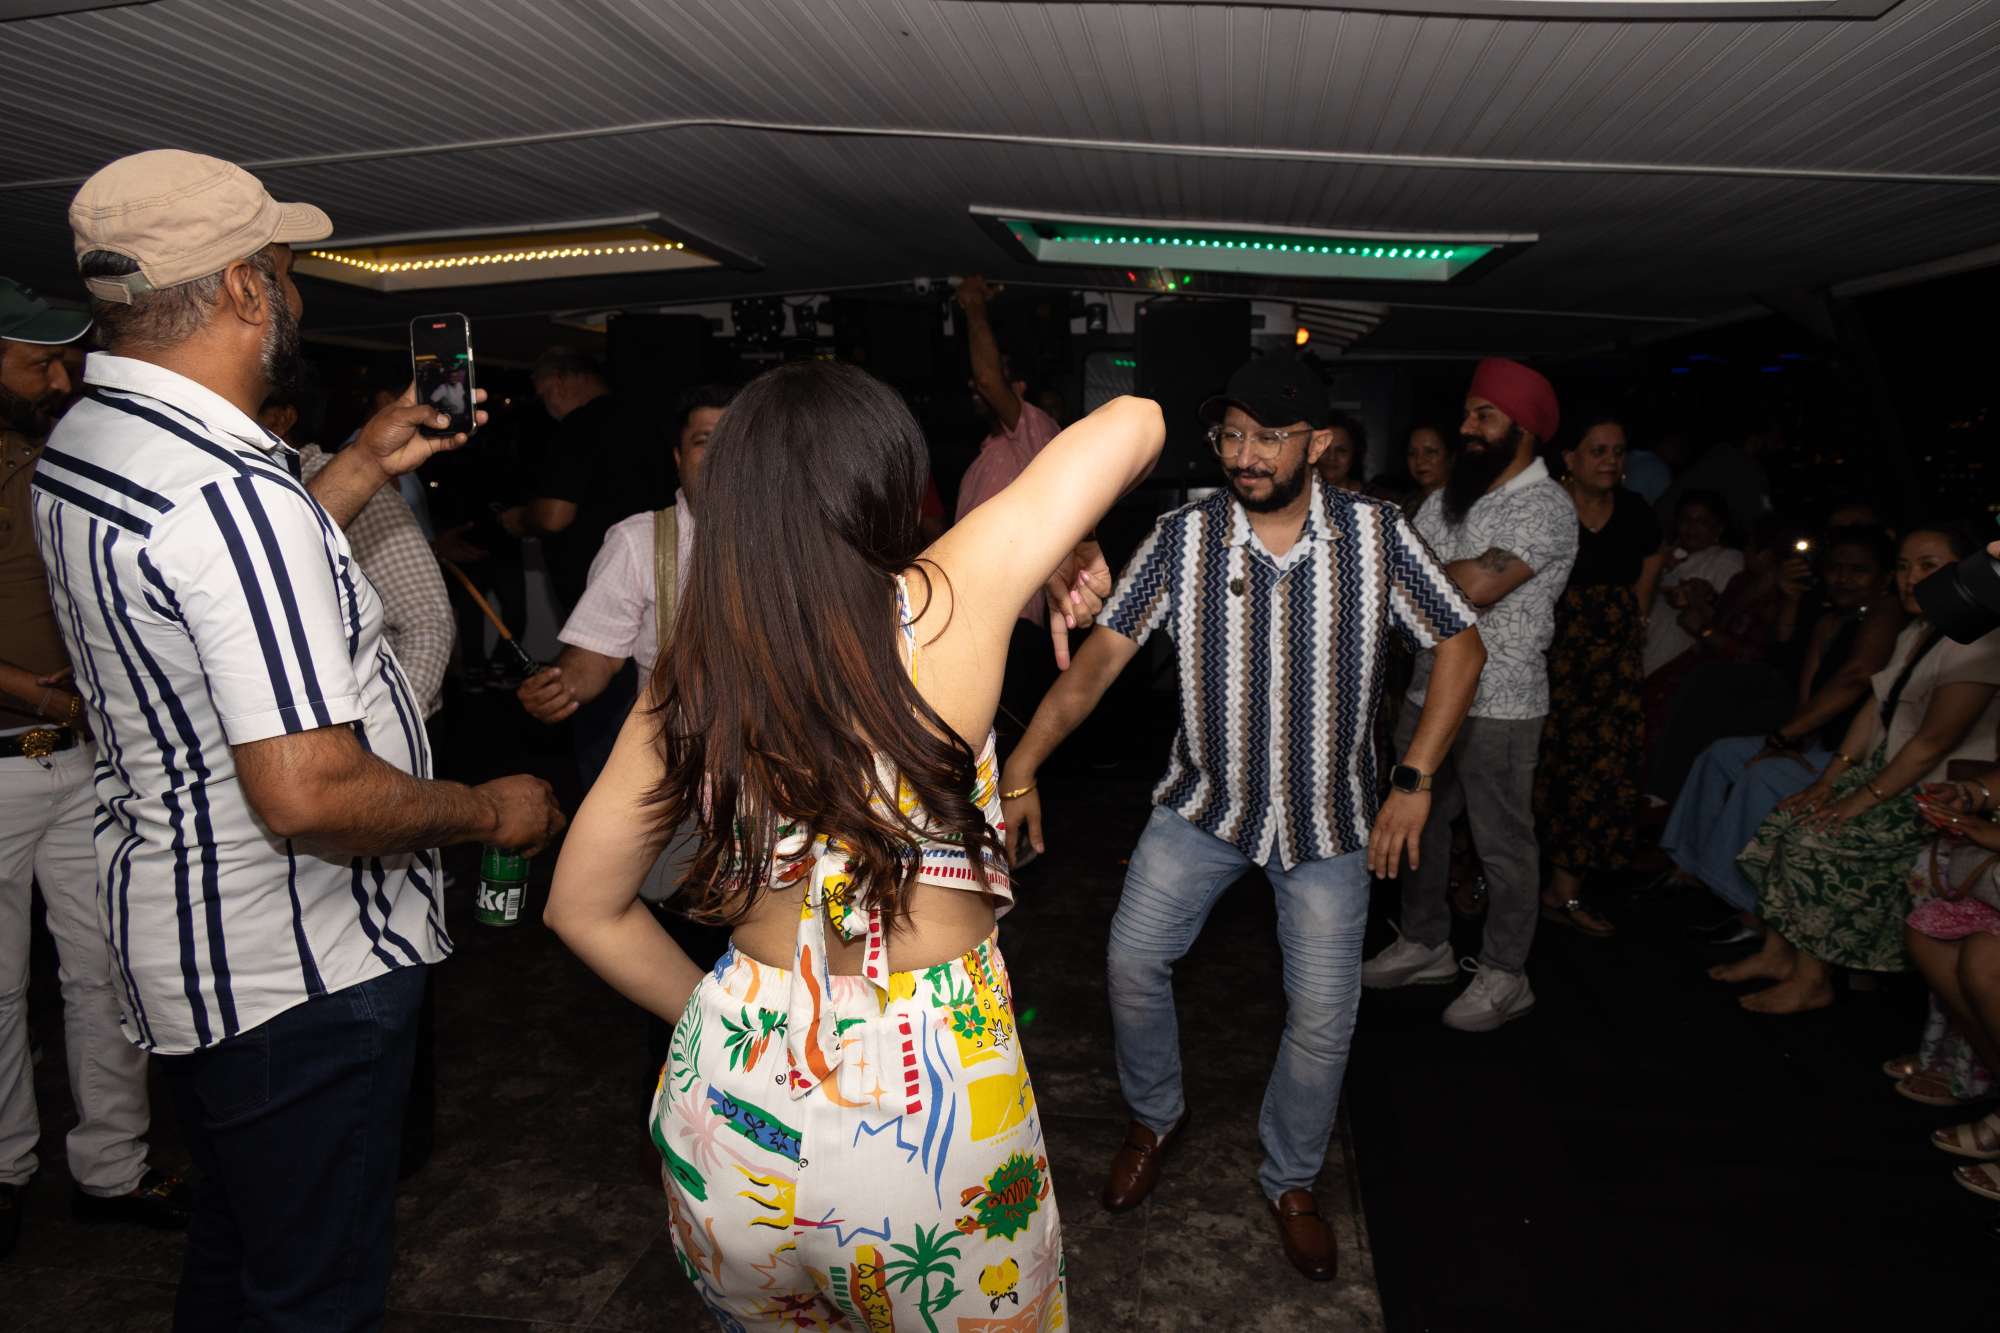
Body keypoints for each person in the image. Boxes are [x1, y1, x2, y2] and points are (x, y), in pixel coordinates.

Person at [40, 149, 564, 1329]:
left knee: (239, 1261)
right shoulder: (235, 499)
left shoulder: (92, 443)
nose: (291, 291)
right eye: (281, 268)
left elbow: (211, 590)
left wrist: (361, 467)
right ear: (242, 288)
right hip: (298, 971)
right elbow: (310, 792)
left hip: (193, 940)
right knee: (312, 1297)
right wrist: (492, 809)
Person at [545, 361, 1159, 1328]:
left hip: (732, 1107)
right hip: (926, 1107)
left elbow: (579, 906)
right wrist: (1059, 532)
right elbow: (1137, 418)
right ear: (887, 483)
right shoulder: (947, 596)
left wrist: (738, 1015)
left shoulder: (690, 674)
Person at [1000, 355, 1485, 1280]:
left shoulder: (1377, 535)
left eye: (1268, 436)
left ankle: (1292, 1177)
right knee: (1132, 963)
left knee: (1324, 1017)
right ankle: (1154, 1117)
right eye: (1231, 433)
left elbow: (1461, 645)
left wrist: (1415, 779)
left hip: (1329, 822)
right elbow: (1095, 667)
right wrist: (1020, 767)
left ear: (1319, 444)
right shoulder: (1182, 538)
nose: (1244, 454)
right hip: (1204, 809)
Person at [1, 277, 190, 1261]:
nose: (60, 380)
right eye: (38, 364)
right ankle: (5, 1172)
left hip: (83, 759)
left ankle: (111, 1171)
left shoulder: (54, 461)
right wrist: (32, 692)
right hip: (4, 761)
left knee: (107, 970)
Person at [1363, 358, 1577, 1033]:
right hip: (1429, 692)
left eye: (1484, 415)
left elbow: (1476, 586)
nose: (1467, 427)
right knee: (1416, 823)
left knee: (1502, 843)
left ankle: (1507, 972)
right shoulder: (1450, 496)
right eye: (1468, 413)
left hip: (1502, 704)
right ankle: (1425, 941)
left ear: (1524, 428)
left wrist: (1412, 570)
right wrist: (1417, 572)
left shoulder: (1546, 505)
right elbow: (1412, 575)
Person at [1723, 525, 2000, 1014]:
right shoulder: (1918, 631)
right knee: (1788, 816)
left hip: (1933, 789)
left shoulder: (1977, 638)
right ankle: (1777, 954)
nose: (1912, 579)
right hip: (1887, 772)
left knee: (1818, 838)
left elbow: (1932, 743)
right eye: (1903, 567)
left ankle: (1813, 980)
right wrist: (1830, 780)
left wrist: (1859, 799)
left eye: (1929, 566)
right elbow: (1875, 707)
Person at [1659, 526, 1902, 918]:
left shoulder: (1887, 613)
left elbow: (1857, 677)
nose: (1843, 578)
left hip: (1859, 756)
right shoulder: (1828, 622)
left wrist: (1782, 739)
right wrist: (1792, 741)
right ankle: (1689, 870)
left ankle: (1741, 902)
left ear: (1885, 578)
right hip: (1817, 743)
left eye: (1858, 570)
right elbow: (1806, 696)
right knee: (1722, 755)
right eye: (1836, 568)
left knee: (1762, 775)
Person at [514, 385, 732, 750]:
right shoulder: (639, 540)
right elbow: (599, 652)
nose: (720, 454)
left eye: (734, 440)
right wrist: (563, 686)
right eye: (704, 441)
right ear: (678, 457)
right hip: (678, 759)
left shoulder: (797, 538)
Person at [1534, 414, 1663, 938]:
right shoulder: (1545, 506)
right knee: (1541, 765)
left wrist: (1638, 615)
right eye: (1598, 450)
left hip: (1611, 664)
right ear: (1570, 458)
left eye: (1617, 451)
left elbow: (1652, 557)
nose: (1610, 461)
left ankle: (1564, 891)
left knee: (1600, 773)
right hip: (1550, 656)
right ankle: (1497, 879)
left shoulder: (1635, 510)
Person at [259, 392, 455, 718]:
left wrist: (386, 730)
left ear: (282, 418)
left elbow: (426, 625)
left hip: (364, 730)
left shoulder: (351, 487)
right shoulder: (251, 496)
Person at [951, 275, 1071, 744]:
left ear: (1017, 386)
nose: (975, 385)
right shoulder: (988, 454)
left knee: (1001, 744)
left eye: (998, 378)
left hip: (1010, 623)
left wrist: (973, 306)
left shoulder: (1035, 431)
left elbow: (986, 378)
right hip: (969, 620)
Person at [511, 345, 660, 613]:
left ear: (559, 382)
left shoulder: (578, 426)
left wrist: (520, 519)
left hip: (600, 583)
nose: (546, 405)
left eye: (544, 394)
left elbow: (554, 516)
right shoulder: (646, 420)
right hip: (653, 574)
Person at [1643, 490, 1743, 678]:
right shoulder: (1663, 556)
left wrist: (1698, 599)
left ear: (1719, 528)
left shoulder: (1727, 559)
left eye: (1702, 521)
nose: (1691, 527)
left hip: (1679, 662)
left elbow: (1728, 616)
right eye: (1685, 519)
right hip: (1645, 649)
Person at [1402, 421, 1455, 517]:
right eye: (1412, 453)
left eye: (1430, 452)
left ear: (1451, 457)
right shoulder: (1405, 505)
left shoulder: (1464, 507)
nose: (1419, 461)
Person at [1314, 411, 1365, 492]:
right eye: (1324, 449)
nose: (1331, 457)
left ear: (1354, 455)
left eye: (1341, 451)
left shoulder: (1378, 497)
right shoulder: (1296, 496)